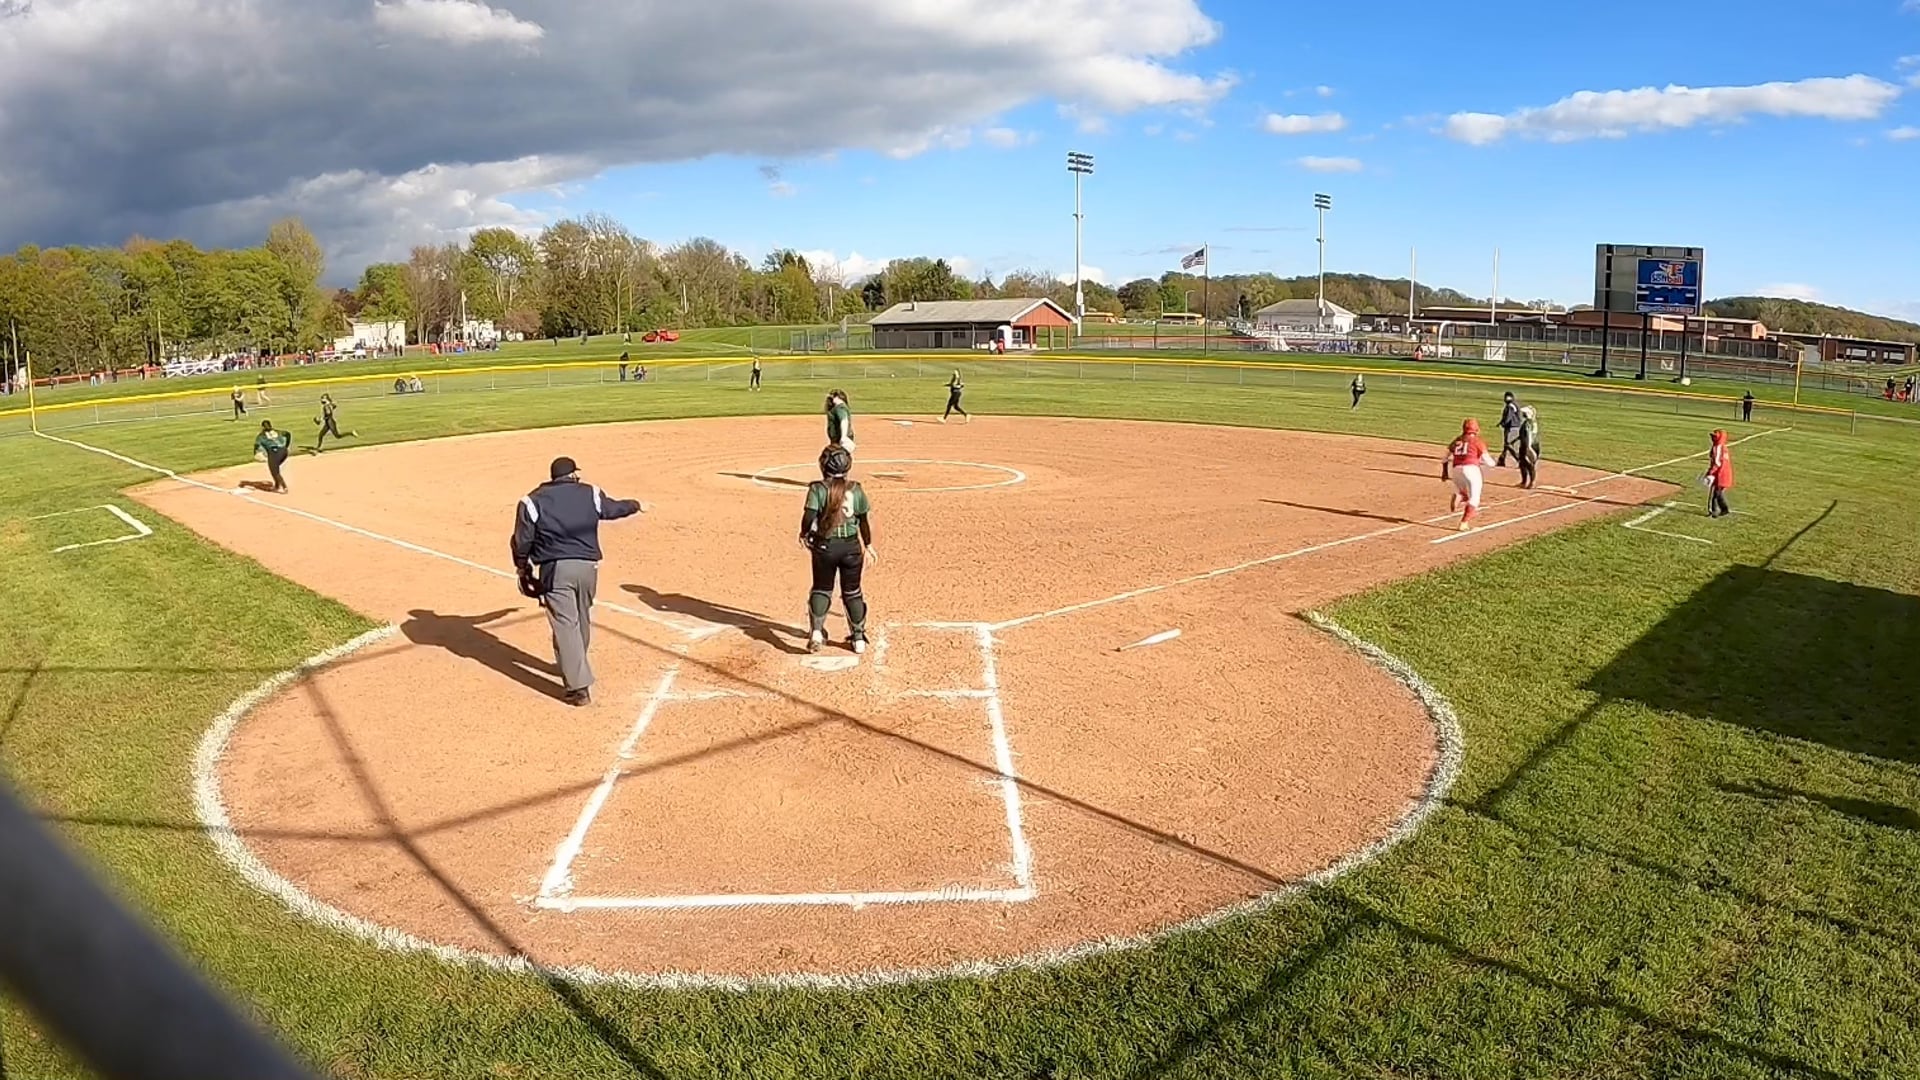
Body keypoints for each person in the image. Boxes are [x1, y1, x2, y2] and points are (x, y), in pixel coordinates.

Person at [509, 456, 649, 706]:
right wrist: (635, 504)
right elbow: (613, 509)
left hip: (556, 570)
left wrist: (522, 567)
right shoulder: (590, 492)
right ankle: (575, 664)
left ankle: (578, 688)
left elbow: (523, 540)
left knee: (565, 623)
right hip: (588, 568)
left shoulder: (531, 501)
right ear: (573, 475)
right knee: (582, 617)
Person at [798, 444, 875, 654]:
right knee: (853, 592)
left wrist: (804, 534)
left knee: (822, 588)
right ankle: (858, 638)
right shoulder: (856, 489)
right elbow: (863, 520)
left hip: (825, 547)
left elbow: (809, 516)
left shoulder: (818, 489)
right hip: (851, 548)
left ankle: (816, 632)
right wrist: (868, 545)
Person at [1442, 418, 1495, 532]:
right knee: (1475, 498)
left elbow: (1445, 457)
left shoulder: (1458, 440)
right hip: (1471, 469)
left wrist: (1444, 472)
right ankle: (1464, 523)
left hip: (1456, 469)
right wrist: (1494, 463)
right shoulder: (1477, 441)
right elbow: (1489, 462)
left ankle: (1460, 495)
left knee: (1464, 492)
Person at [253, 420, 291, 494]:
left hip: (274, 453)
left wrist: (255, 453)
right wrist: (286, 445)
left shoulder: (261, 436)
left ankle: (284, 487)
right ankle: (277, 485)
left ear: (262, 427)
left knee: (274, 471)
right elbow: (288, 434)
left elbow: (256, 445)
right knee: (275, 468)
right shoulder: (278, 431)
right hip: (284, 452)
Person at [1703, 429, 1734, 518]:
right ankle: (1721, 510)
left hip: (1720, 474)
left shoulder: (1718, 448)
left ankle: (1717, 510)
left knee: (1716, 493)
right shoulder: (1723, 447)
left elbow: (1717, 463)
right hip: (1725, 473)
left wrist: (1710, 473)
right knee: (1717, 492)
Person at [1515, 405, 1541, 490]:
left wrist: (1528, 447)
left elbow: (1528, 435)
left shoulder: (1527, 423)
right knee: (1524, 463)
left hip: (1527, 445)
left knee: (1527, 464)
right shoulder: (1533, 422)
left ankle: (1529, 482)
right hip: (1534, 444)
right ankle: (1526, 482)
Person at [1496, 392, 1521, 466]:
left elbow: (1508, 417)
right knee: (1506, 445)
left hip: (1511, 427)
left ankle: (1519, 460)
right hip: (1514, 427)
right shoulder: (1512, 405)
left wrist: (1504, 423)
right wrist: (1501, 422)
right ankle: (1501, 460)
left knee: (1508, 444)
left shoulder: (1510, 406)